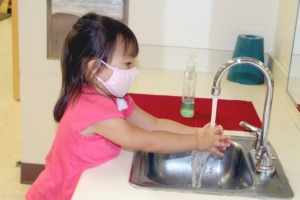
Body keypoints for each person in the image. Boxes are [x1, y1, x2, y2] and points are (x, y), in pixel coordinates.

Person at [25, 13, 231, 200]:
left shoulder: (113, 98)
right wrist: (196, 142)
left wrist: (198, 132)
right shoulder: (92, 109)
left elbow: (154, 125)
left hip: (83, 187)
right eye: (127, 63)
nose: (133, 70)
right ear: (95, 67)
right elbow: (147, 141)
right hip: (57, 195)